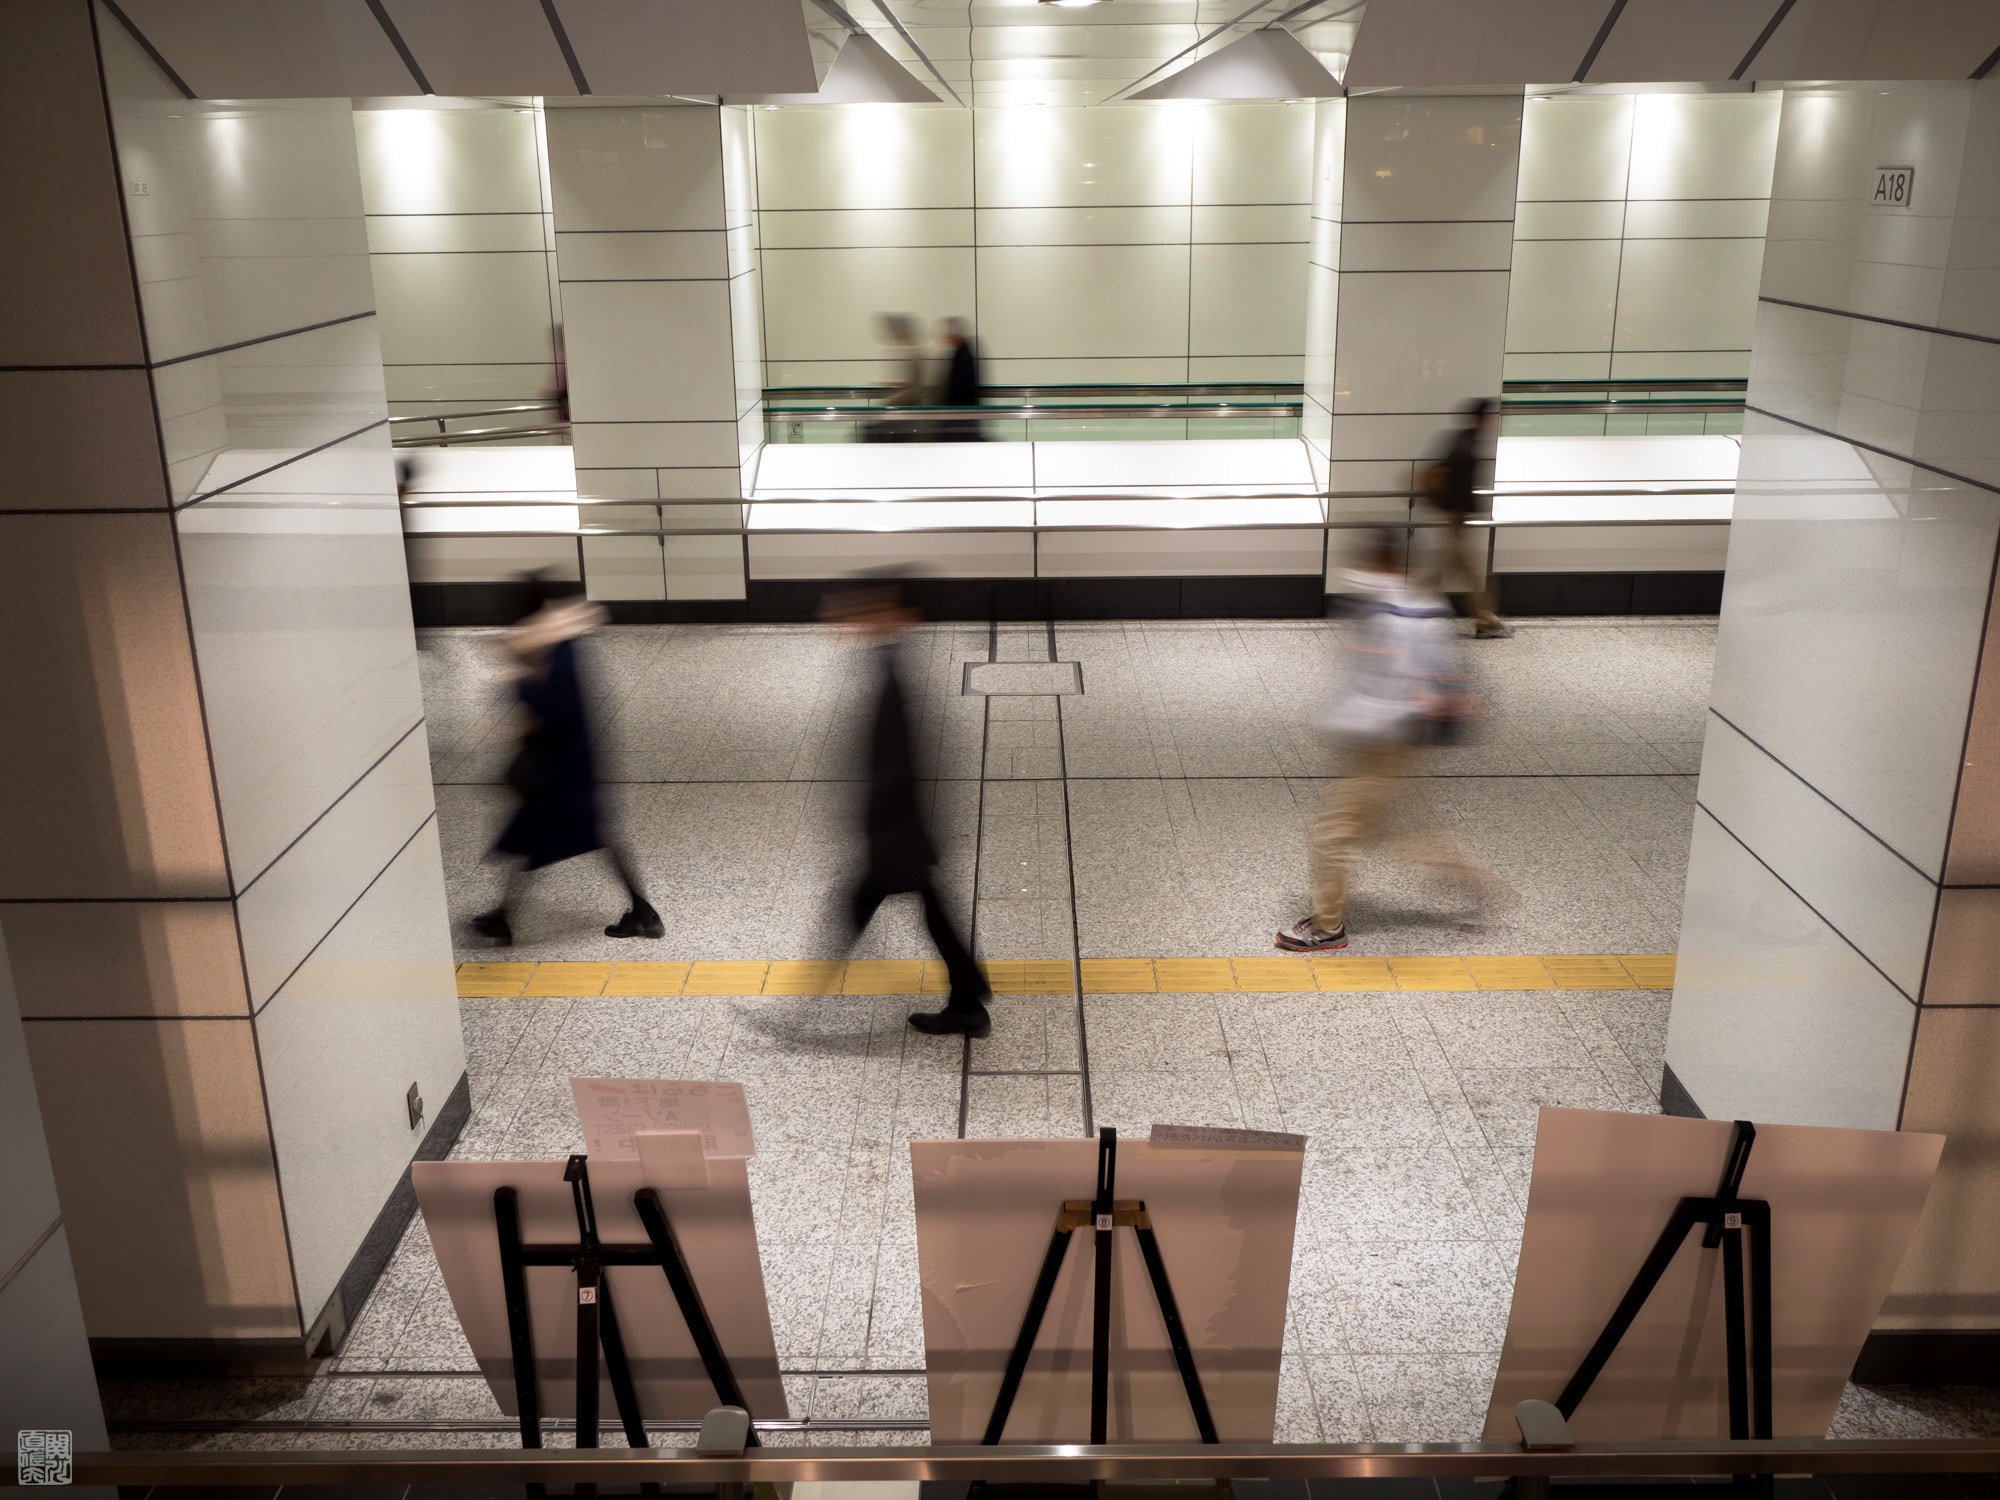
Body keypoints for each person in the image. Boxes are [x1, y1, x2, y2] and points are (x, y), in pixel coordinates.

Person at [1278, 530, 1505, 953]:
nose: (1357, 568)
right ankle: (1479, 888)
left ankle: (1328, 929)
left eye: (1367, 559)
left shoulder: (1398, 614)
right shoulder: (1411, 606)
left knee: (1332, 833)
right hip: (1384, 743)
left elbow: (1402, 686)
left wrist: (1363, 720)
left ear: (1384, 563)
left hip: (1386, 742)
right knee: (1400, 833)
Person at [825, 575, 991, 1037]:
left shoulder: (891, 674)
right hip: (901, 828)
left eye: (863, 609)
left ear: (890, 613)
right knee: (930, 911)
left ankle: (804, 1009)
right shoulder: (889, 664)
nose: (849, 619)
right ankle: (968, 999)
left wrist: (880, 828)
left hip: (894, 829)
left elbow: (894, 763)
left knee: (856, 911)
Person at [472, 575, 663, 947]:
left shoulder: (555, 651)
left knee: (551, 835)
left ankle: (643, 912)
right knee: (553, 835)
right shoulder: (563, 646)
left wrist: (520, 687)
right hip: (570, 763)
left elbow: (553, 708)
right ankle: (505, 915)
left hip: (559, 768)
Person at [1420, 396, 1511, 638]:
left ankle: (1483, 618)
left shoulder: (1461, 439)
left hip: (1454, 518)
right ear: (1483, 418)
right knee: (1469, 574)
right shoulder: (1468, 447)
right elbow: (1460, 486)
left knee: (1447, 570)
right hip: (1456, 519)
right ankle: (1485, 619)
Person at [865, 313, 927, 443]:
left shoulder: (913, 353)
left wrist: (891, 401)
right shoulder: (909, 351)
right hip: (903, 412)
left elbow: (914, 388)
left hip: (907, 412)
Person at [935, 316, 983, 442]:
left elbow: (958, 389)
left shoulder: (962, 355)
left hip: (959, 417)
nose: (946, 338)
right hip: (962, 416)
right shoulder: (965, 352)